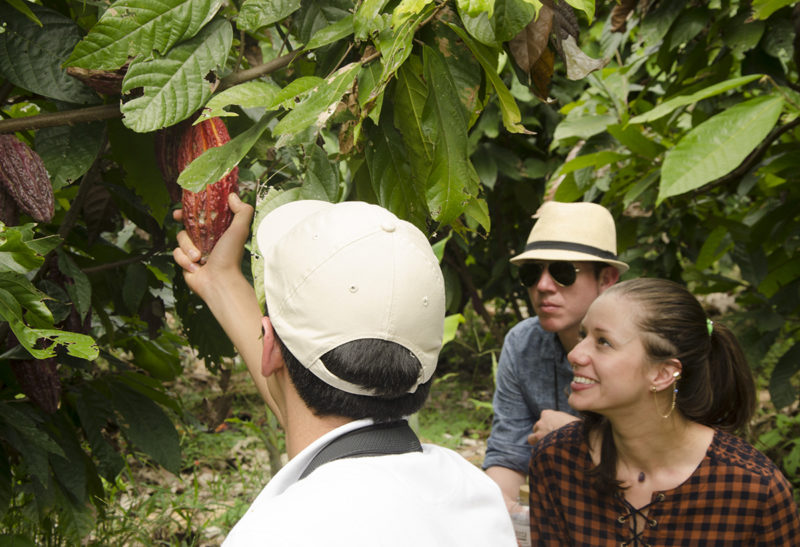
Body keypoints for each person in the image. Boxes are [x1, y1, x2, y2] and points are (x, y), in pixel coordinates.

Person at [173, 194, 517, 546]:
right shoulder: (474, 496)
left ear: (270, 347)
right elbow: (312, 414)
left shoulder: (276, 533)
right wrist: (220, 280)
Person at [529, 277, 800, 545]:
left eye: (603, 342)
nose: (575, 354)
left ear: (663, 373)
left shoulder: (753, 488)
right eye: (583, 335)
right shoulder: (557, 460)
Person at [483, 201, 627, 506]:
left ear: (607, 279)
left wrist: (576, 437)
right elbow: (508, 451)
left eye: (563, 272)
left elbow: (663, 459)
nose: (543, 286)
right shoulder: (522, 344)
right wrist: (498, 512)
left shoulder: (640, 349)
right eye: (532, 273)